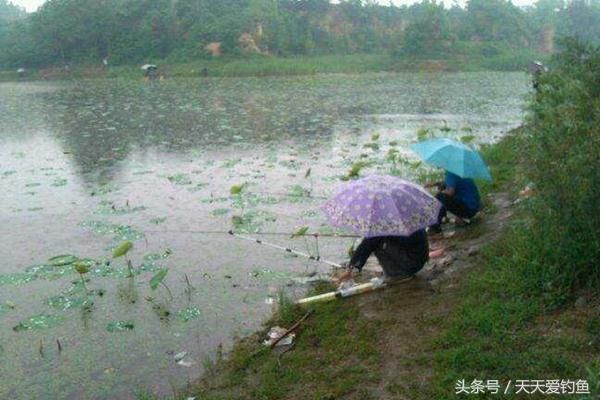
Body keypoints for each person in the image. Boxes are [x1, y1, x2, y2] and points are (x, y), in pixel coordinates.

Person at [338, 229, 429, 282]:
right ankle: (396, 271)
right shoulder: (410, 218)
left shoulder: (388, 225)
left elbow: (367, 244)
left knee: (375, 241)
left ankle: (396, 274)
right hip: (419, 263)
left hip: (410, 264)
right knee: (376, 239)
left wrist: (351, 269)